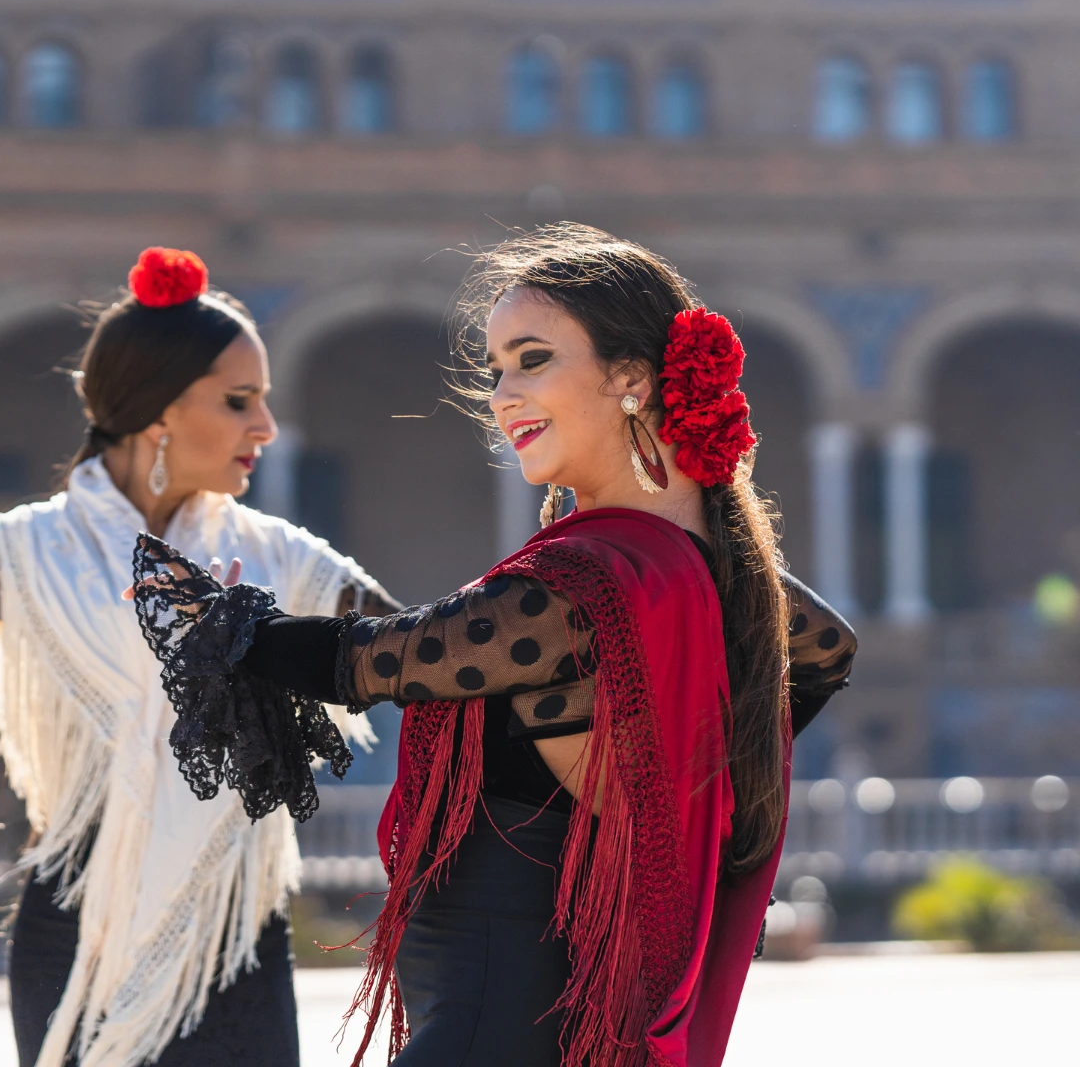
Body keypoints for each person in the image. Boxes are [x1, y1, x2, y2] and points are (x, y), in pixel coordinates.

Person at [130, 224, 856, 1067]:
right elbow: (826, 650)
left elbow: (379, 660)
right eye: (496, 369)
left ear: (630, 377)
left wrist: (220, 624)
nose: (502, 394)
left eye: (533, 358)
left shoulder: (582, 582)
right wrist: (693, 779)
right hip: (548, 997)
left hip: (499, 1004)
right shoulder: (700, 566)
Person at [0, 247, 396, 1067]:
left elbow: (428, 659)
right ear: (157, 414)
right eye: (240, 401)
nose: (267, 429)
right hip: (74, 934)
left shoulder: (284, 559)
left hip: (234, 940)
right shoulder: (22, 552)